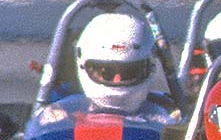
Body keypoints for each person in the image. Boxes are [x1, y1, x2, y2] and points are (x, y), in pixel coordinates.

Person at [33, 11, 178, 128]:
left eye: (128, 72)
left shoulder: (167, 115)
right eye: (106, 72)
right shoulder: (57, 115)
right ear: (84, 66)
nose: (117, 79)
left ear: (149, 69)